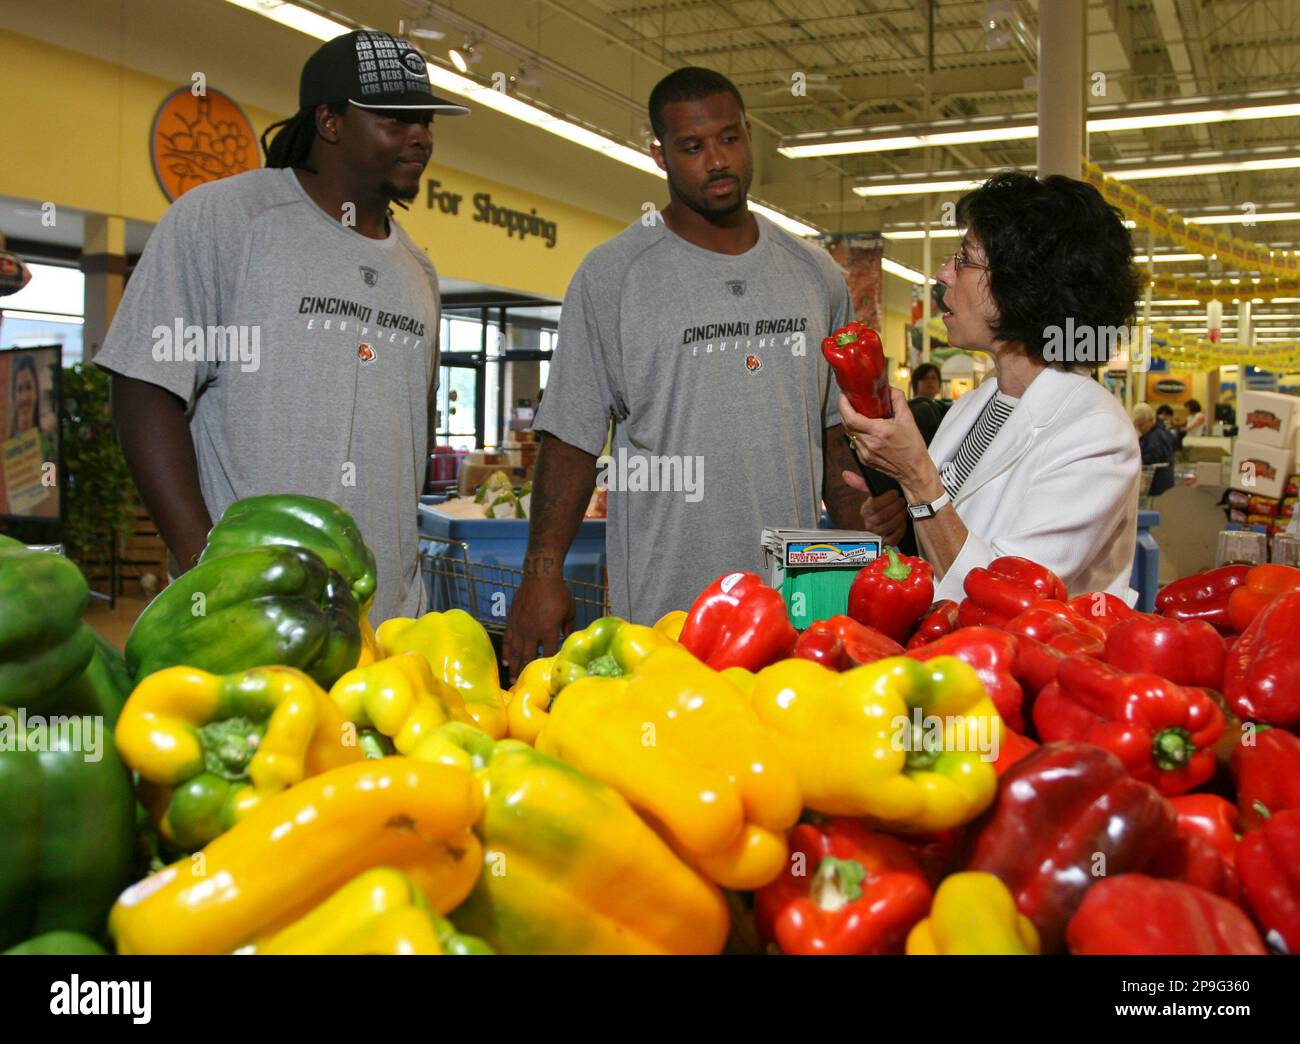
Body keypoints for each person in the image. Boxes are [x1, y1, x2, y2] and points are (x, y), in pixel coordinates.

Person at [502, 67, 866, 674]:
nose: (716, 161)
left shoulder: (814, 274)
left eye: (728, 139)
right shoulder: (614, 275)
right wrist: (541, 575)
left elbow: (833, 434)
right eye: (692, 147)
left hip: (795, 610)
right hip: (664, 614)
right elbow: (569, 439)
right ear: (659, 154)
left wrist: (862, 535)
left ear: (749, 135)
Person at [96, 31, 468, 623]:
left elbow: (412, 431)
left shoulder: (417, 271)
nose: (420, 136)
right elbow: (143, 387)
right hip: (247, 610)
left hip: (387, 620)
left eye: (424, 119)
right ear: (330, 122)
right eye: (395, 119)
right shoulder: (226, 220)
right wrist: (205, 568)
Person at [839, 171, 1142, 601]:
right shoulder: (980, 403)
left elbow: (1003, 599)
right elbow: (954, 536)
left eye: (964, 259)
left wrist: (917, 476)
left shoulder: (1097, 434)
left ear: (1023, 285)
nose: (945, 272)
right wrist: (904, 517)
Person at [1134, 402, 1176, 497]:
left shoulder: (1155, 437)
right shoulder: (1162, 432)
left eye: (1141, 425)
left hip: (1157, 484)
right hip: (1164, 484)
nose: (1139, 429)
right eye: (1137, 426)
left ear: (1151, 420)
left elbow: (1152, 457)